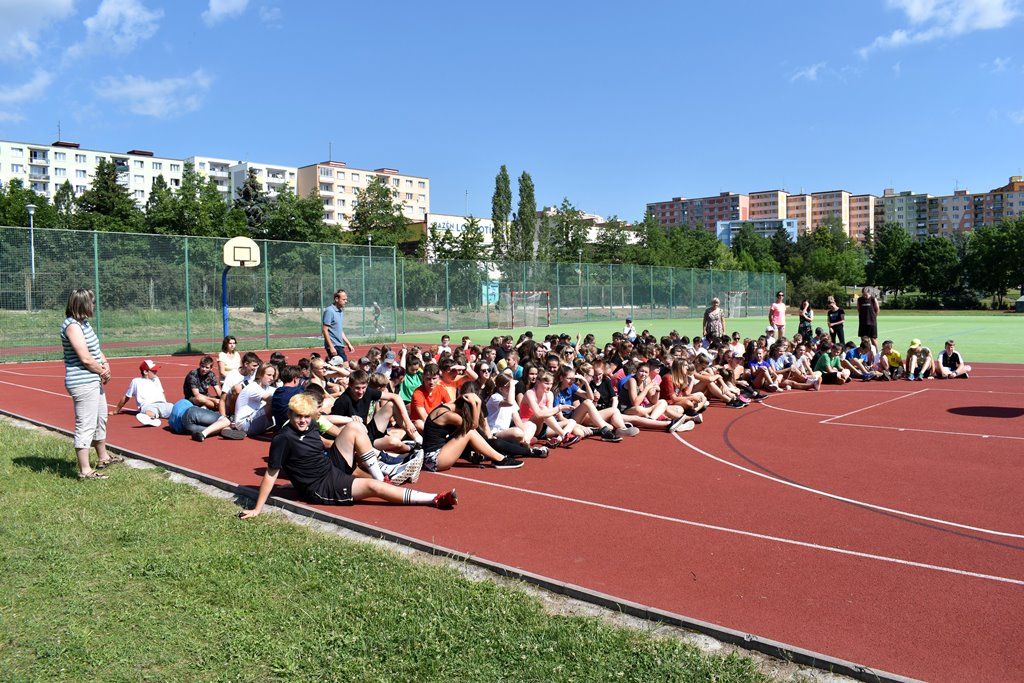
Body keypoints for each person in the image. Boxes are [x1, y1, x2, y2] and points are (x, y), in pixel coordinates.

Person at [238, 394, 454, 518]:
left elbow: (324, 436)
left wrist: (353, 436)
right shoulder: (283, 438)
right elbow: (271, 474)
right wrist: (257, 509)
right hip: (321, 488)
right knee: (375, 488)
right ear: (290, 415)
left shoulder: (312, 424)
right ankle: (434, 498)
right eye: (298, 417)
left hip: (330, 466)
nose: (303, 421)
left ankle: (382, 471)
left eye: (306, 416)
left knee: (353, 427)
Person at [61, 288, 119, 479]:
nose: (94, 305)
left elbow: (96, 350)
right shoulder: (72, 326)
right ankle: (85, 470)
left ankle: (103, 457)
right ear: (83, 303)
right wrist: (102, 370)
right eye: (91, 302)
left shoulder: (84, 324)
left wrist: (105, 364)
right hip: (82, 382)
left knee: (100, 418)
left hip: (93, 380)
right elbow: (85, 358)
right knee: (85, 424)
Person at [422, 386, 525, 471]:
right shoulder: (449, 416)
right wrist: (478, 404)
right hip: (433, 460)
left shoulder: (446, 407)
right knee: (469, 432)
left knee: (467, 431)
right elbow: (473, 426)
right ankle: (500, 459)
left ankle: (498, 458)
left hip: (432, 457)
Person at [111, 359, 175, 427]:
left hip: (163, 404)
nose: (156, 371)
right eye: (153, 370)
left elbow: (162, 392)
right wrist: (116, 410)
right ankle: (151, 419)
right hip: (148, 405)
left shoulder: (156, 379)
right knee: (150, 411)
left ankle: (183, 419)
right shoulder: (136, 381)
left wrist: (165, 403)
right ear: (145, 372)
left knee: (176, 409)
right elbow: (126, 397)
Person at [231, 364, 277, 436]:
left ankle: (274, 425)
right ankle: (275, 426)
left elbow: (278, 392)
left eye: (273, 376)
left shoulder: (266, 387)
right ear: (260, 374)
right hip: (245, 424)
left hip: (252, 419)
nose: (272, 378)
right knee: (274, 402)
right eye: (269, 375)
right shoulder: (253, 388)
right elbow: (272, 399)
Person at [322, 288, 355, 363]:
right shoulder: (329, 311)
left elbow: (340, 330)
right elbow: (325, 330)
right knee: (344, 367)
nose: (346, 301)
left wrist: (348, 344)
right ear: (336, 299)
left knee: (340, 369)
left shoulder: (340, 311)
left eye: (346, 299)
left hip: (339, 345)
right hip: (334, 345)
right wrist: (331, 347)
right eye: (343, 299)